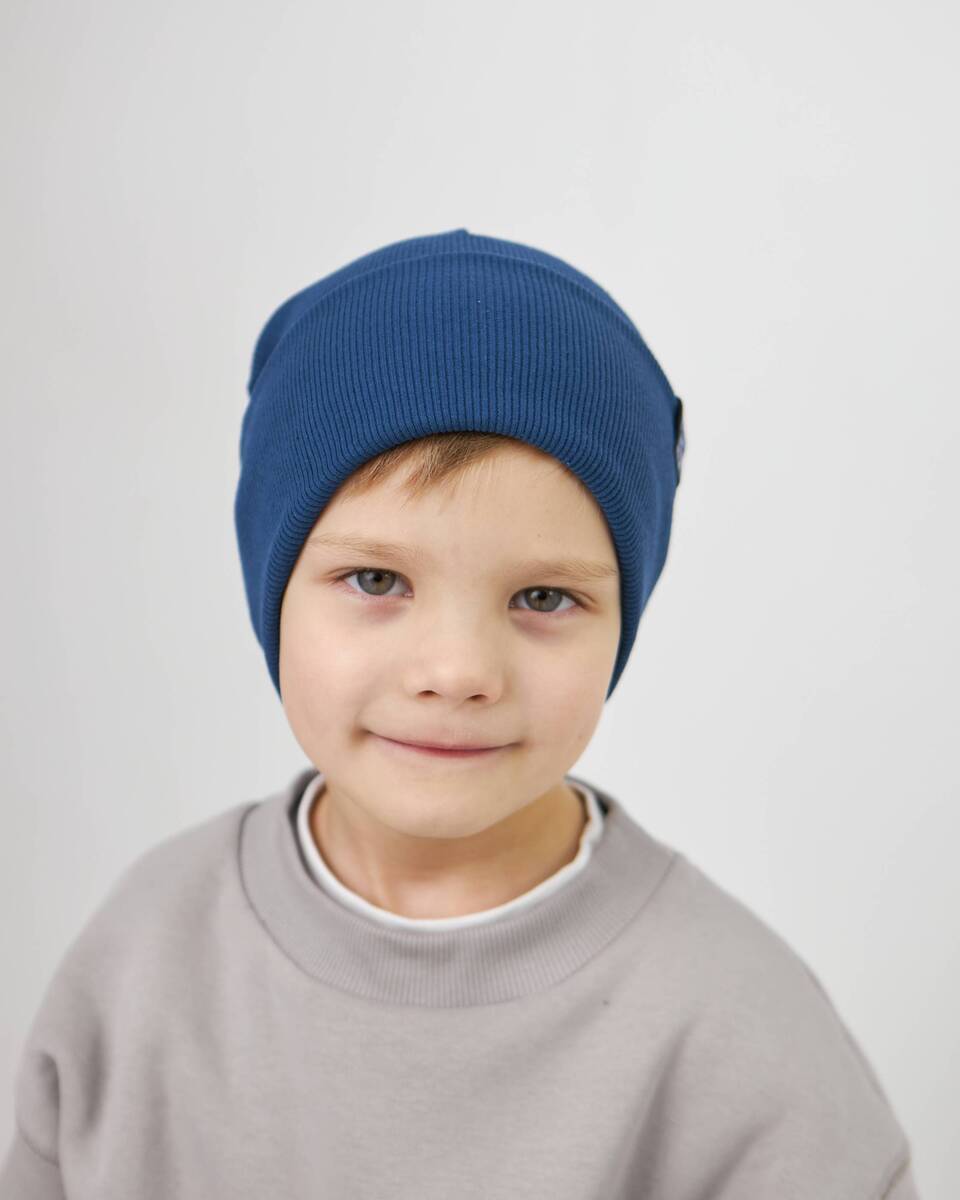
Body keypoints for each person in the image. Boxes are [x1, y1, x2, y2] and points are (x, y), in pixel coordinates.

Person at [0, 229, 919, 1198]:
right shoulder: (145, 957)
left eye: (543, 598)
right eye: (375, 580)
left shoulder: (745, 1042)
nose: (457, 671)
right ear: (271, 591)